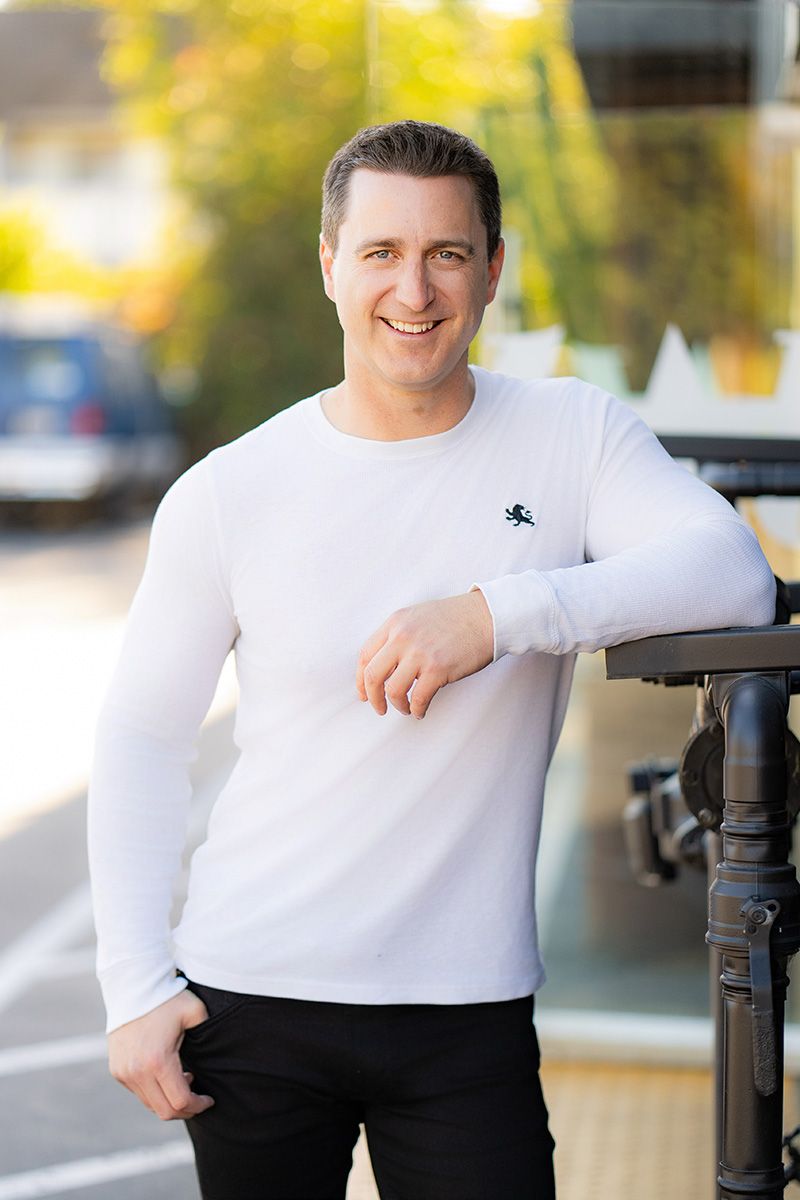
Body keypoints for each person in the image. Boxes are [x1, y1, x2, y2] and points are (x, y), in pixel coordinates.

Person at [88, 120, 776, 1200]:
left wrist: (497, 613)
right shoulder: (231, 489)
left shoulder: (570, 435)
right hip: (252, 997)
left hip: (464, 1015)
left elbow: (728, 572)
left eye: (446, 254)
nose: (413, 290)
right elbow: (139, 738)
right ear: (329, 264)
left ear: (491, 270)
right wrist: (132, 985)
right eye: (379, 253)